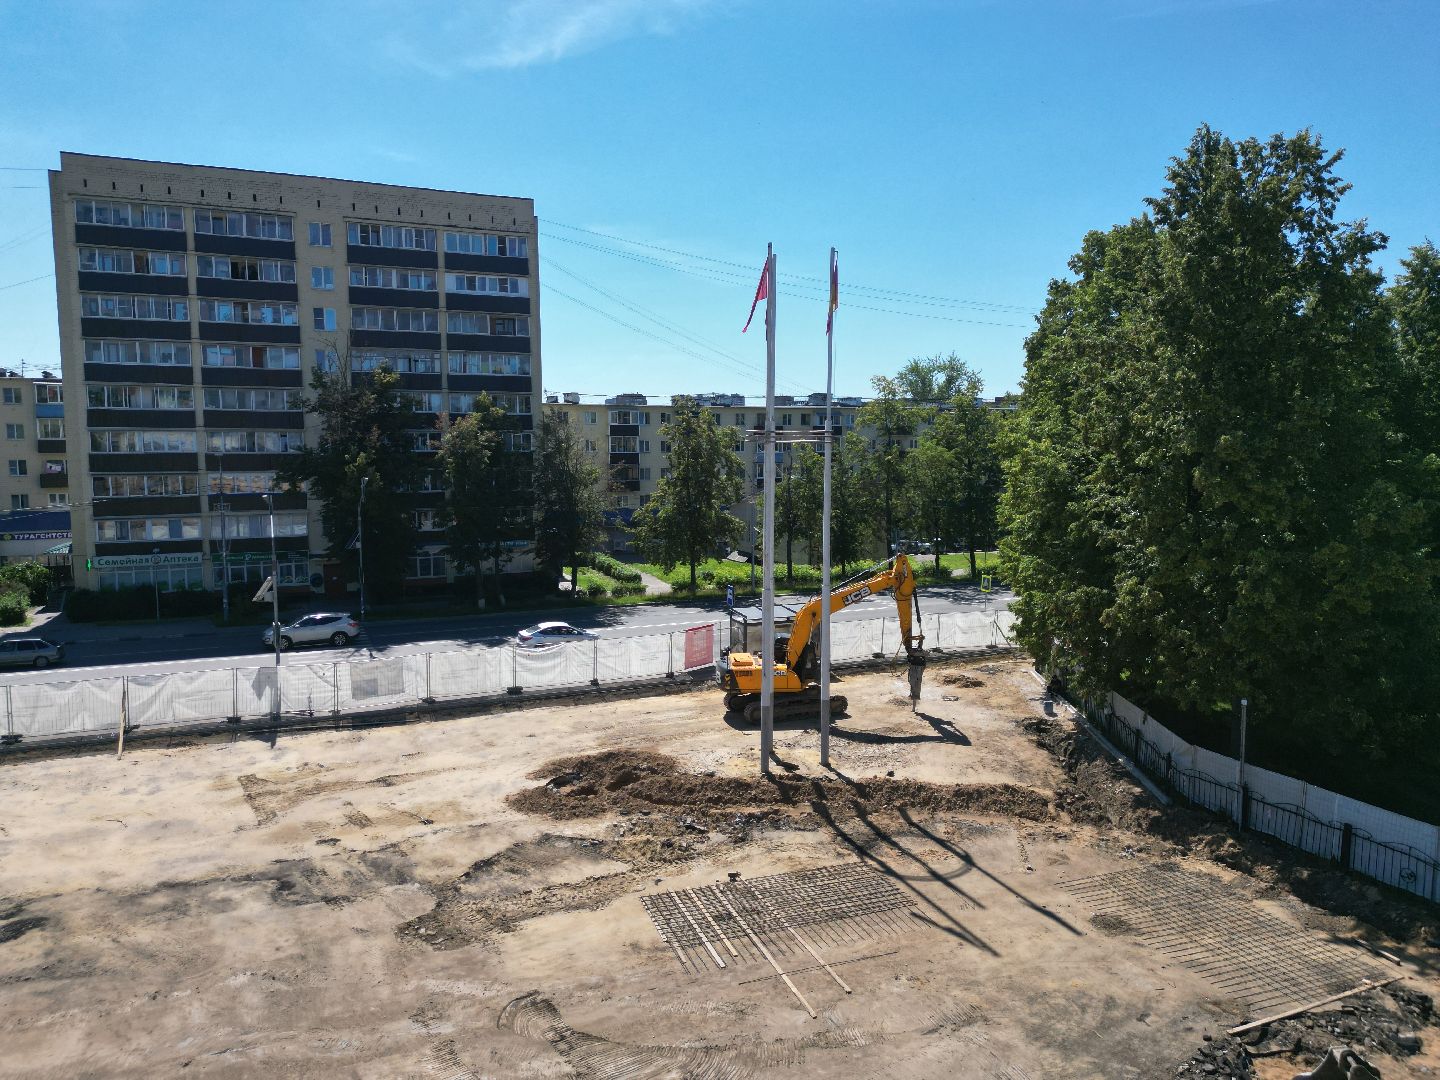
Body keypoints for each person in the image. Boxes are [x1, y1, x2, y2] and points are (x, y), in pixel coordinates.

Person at [906, 647, 926, 712]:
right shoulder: (920, 657)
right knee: (915, 686)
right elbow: (924, 664)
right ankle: (914, 706)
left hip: (915, 671)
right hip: (917, 671)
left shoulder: (912, 656)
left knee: (914, 686)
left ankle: (914, 707)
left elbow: (909, 662)